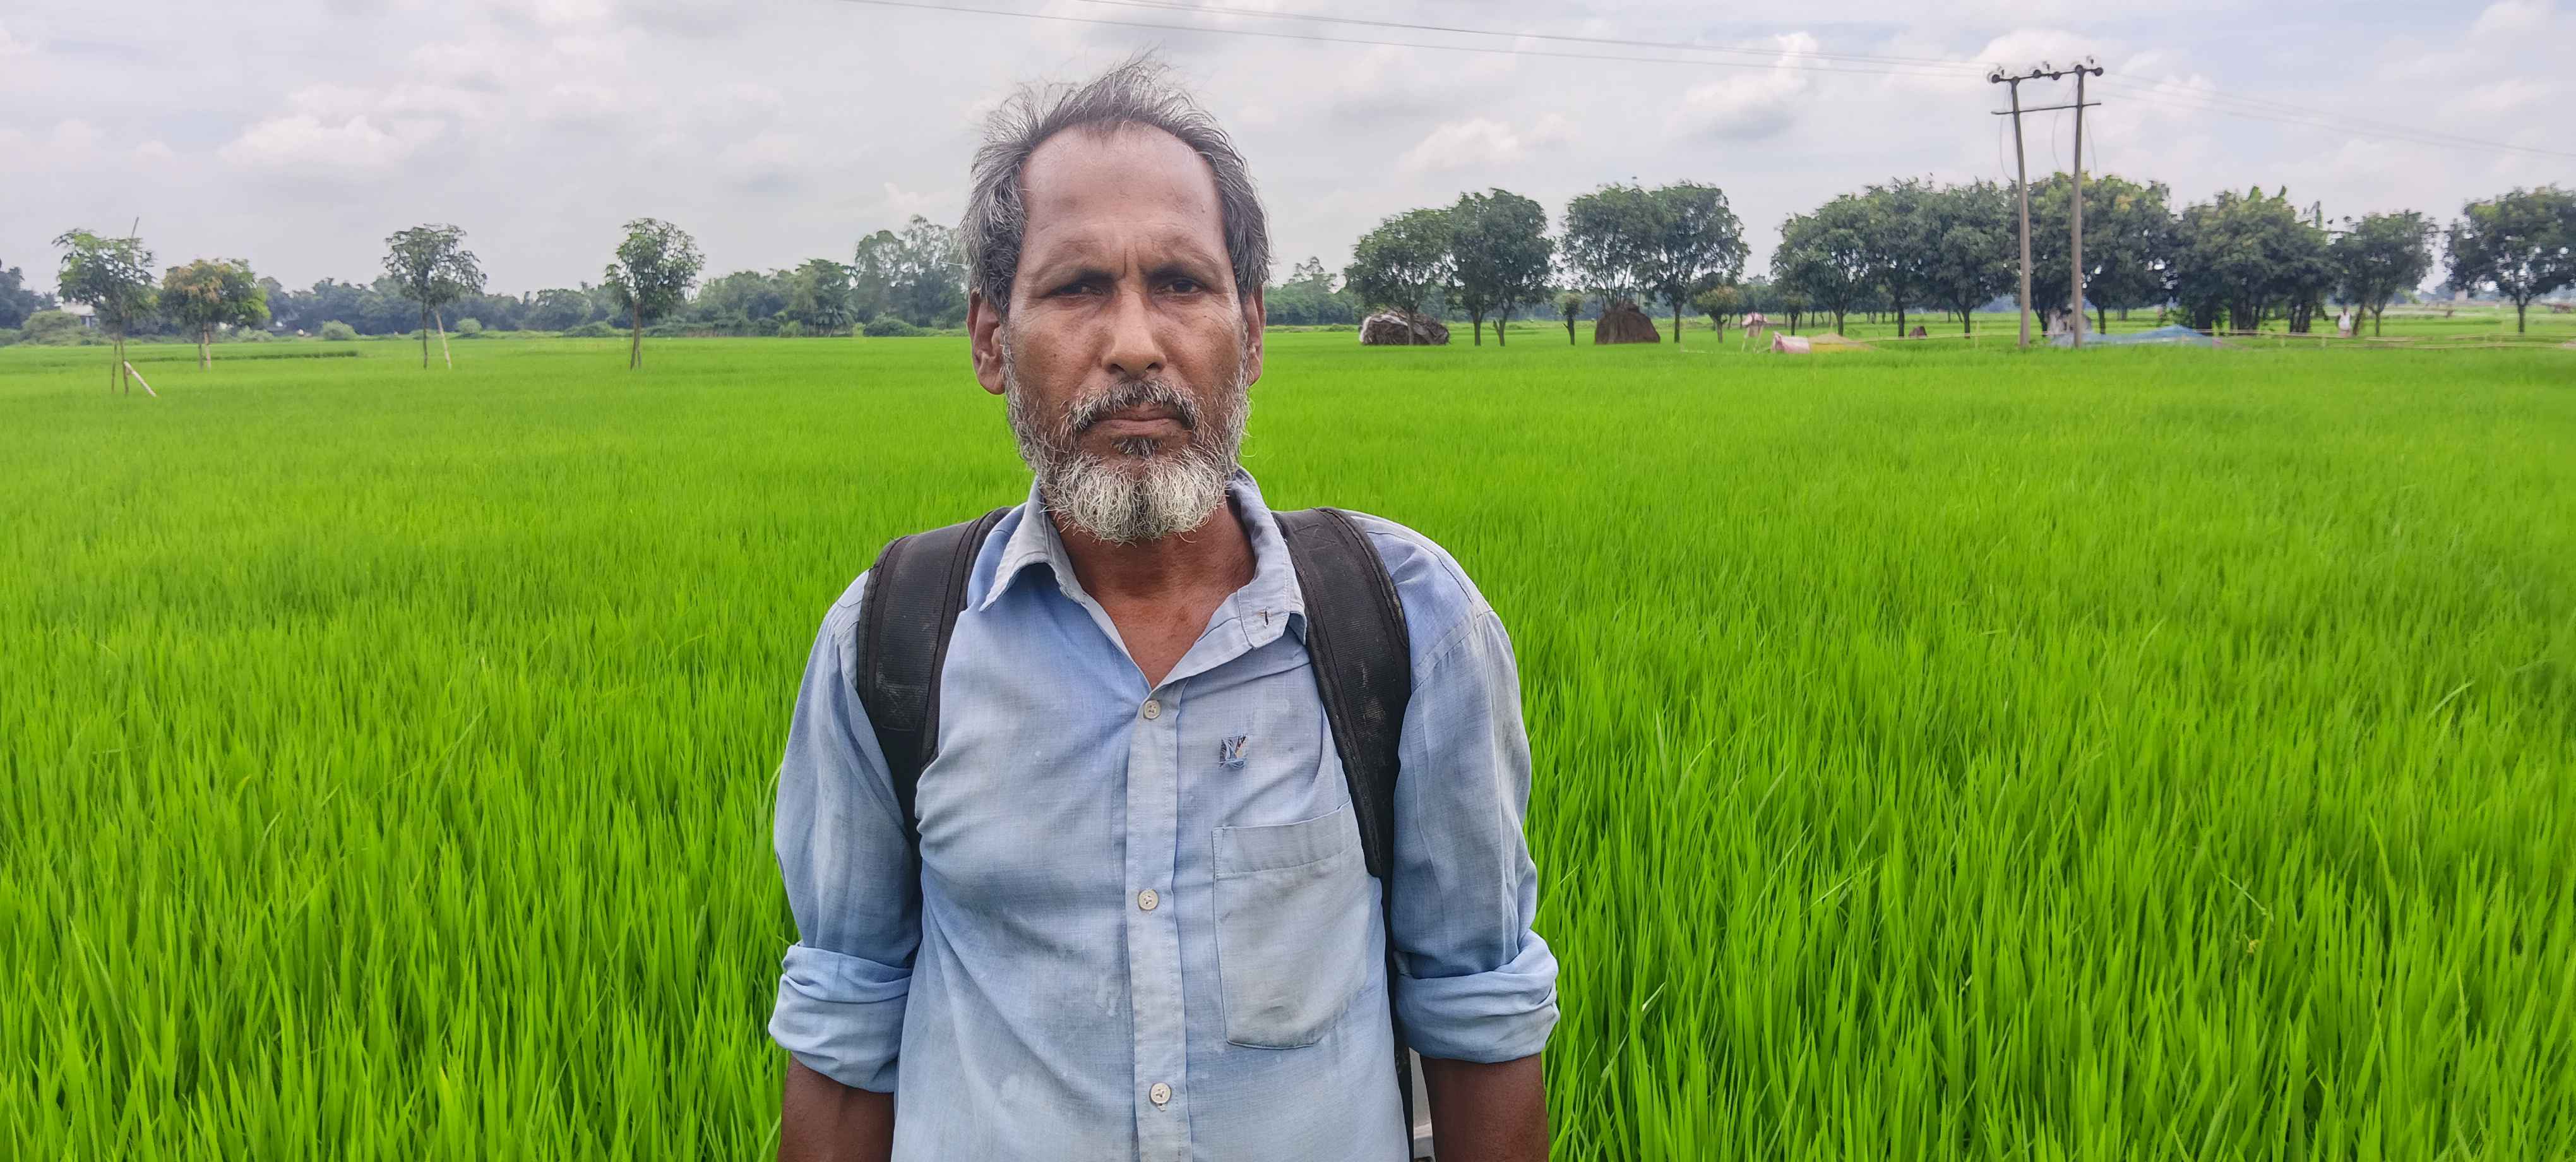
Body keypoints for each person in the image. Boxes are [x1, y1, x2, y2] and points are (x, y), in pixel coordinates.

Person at [768, 57, 1556, 1162]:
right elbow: (846, 1029)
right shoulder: (894, 641)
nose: (1135, 342)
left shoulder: (1411, 624)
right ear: (992, 341)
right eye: (1078, 287)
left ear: (1253, 331)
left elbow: (1480, 1015)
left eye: (1182, 284)